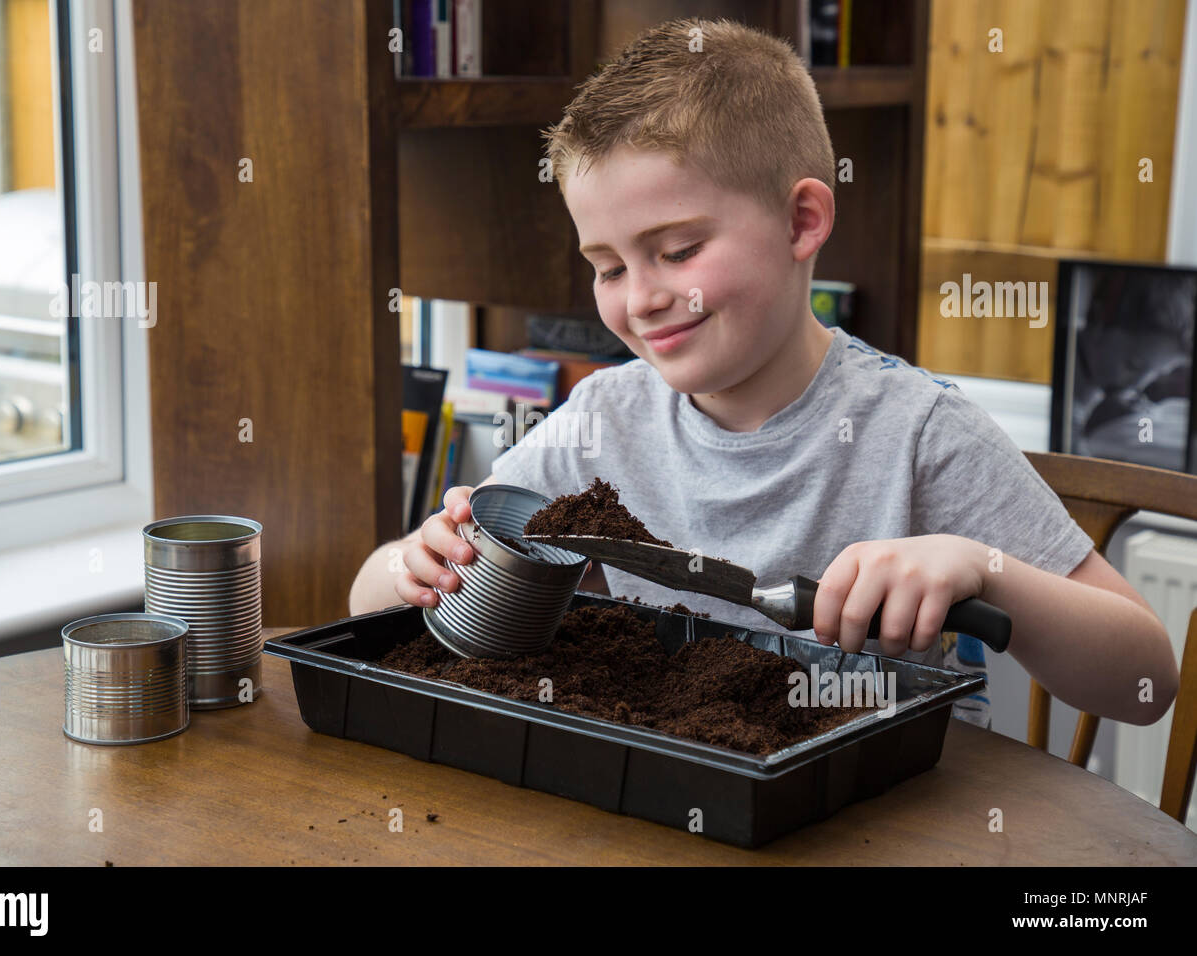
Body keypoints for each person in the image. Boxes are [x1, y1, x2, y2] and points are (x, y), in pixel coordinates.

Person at [349, 18, 1177, 729]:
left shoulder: (920, 433)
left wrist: (982, 567)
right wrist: (414, 567)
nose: (641, 300)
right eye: (606, 267)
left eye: (677, 251)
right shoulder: (602, 419)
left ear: (802, 220)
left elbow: (1145, 681)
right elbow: (363, 601)